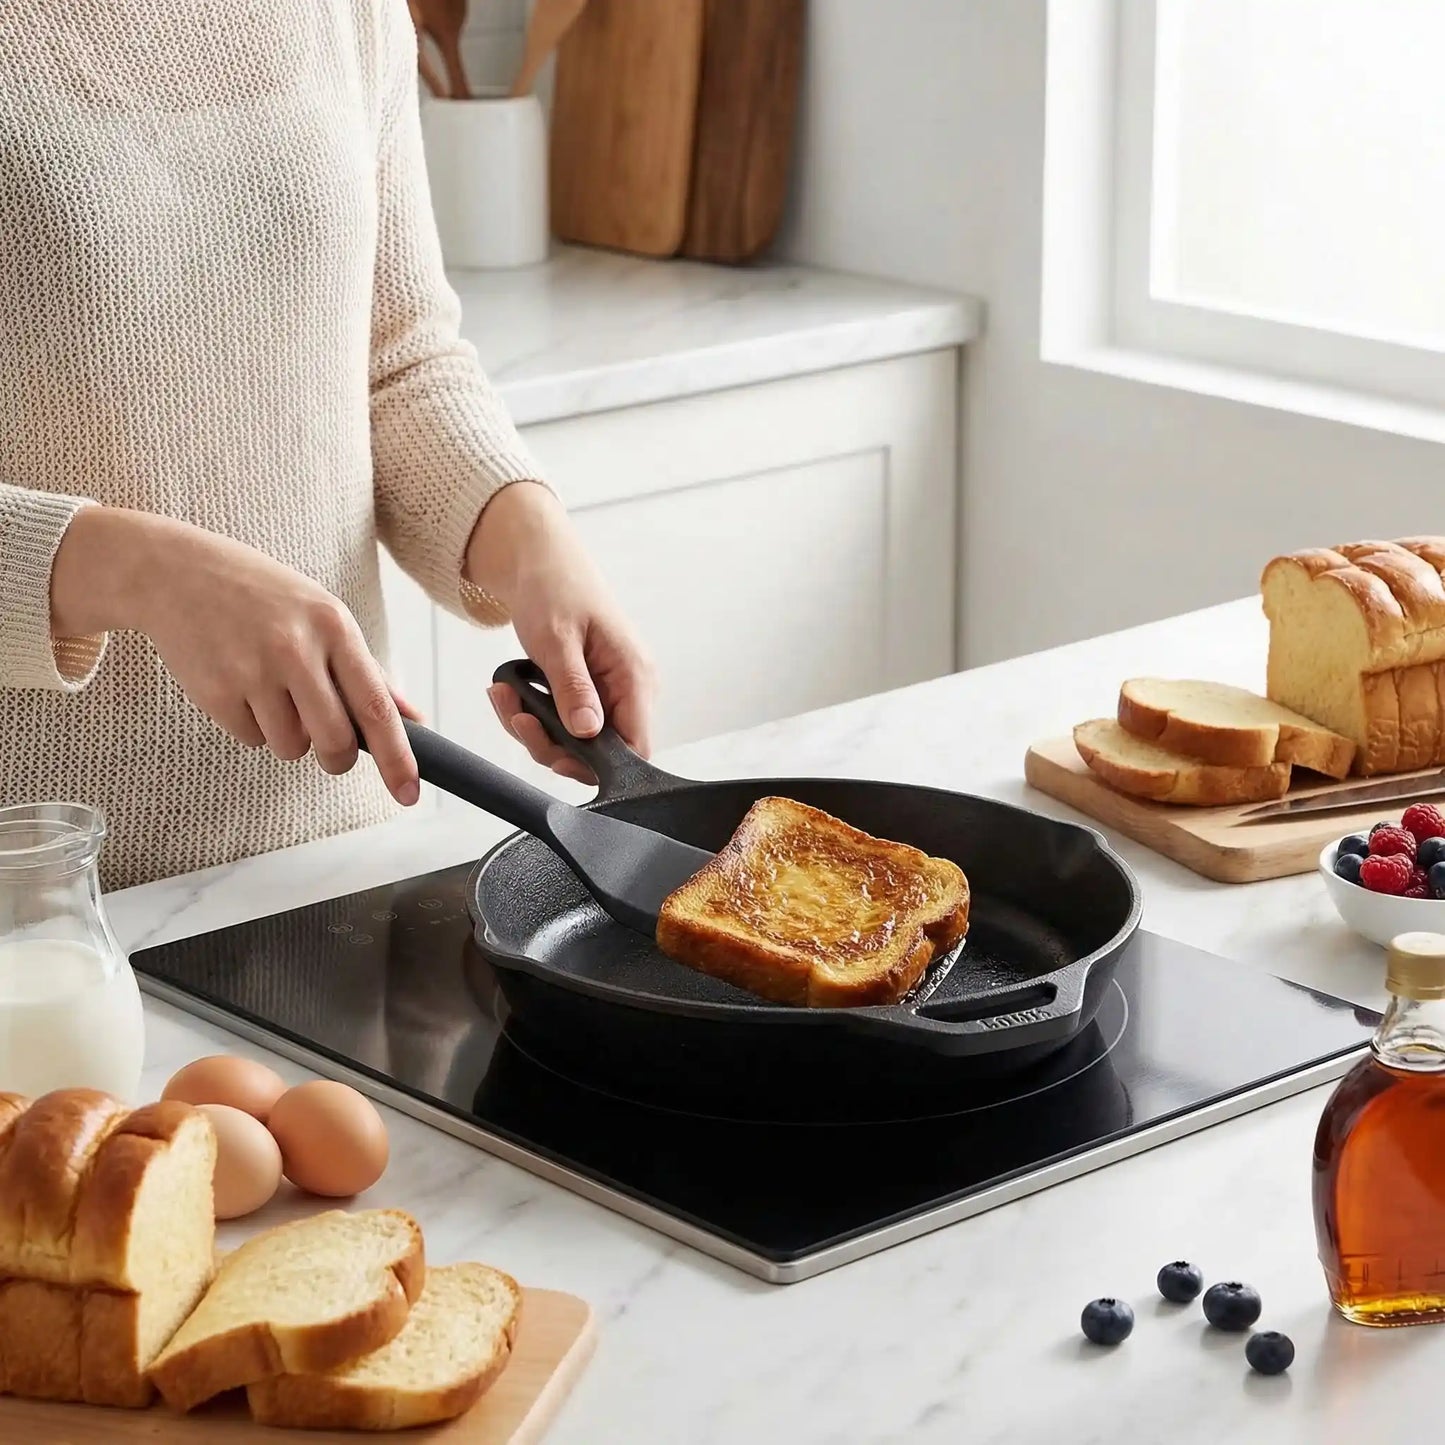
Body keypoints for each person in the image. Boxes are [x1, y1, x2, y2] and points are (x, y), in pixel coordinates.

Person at [0, 0, 653, 888]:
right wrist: (132, 569)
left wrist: (528, 534)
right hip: (38, 901)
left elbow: (396, 357)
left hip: (333, 852)